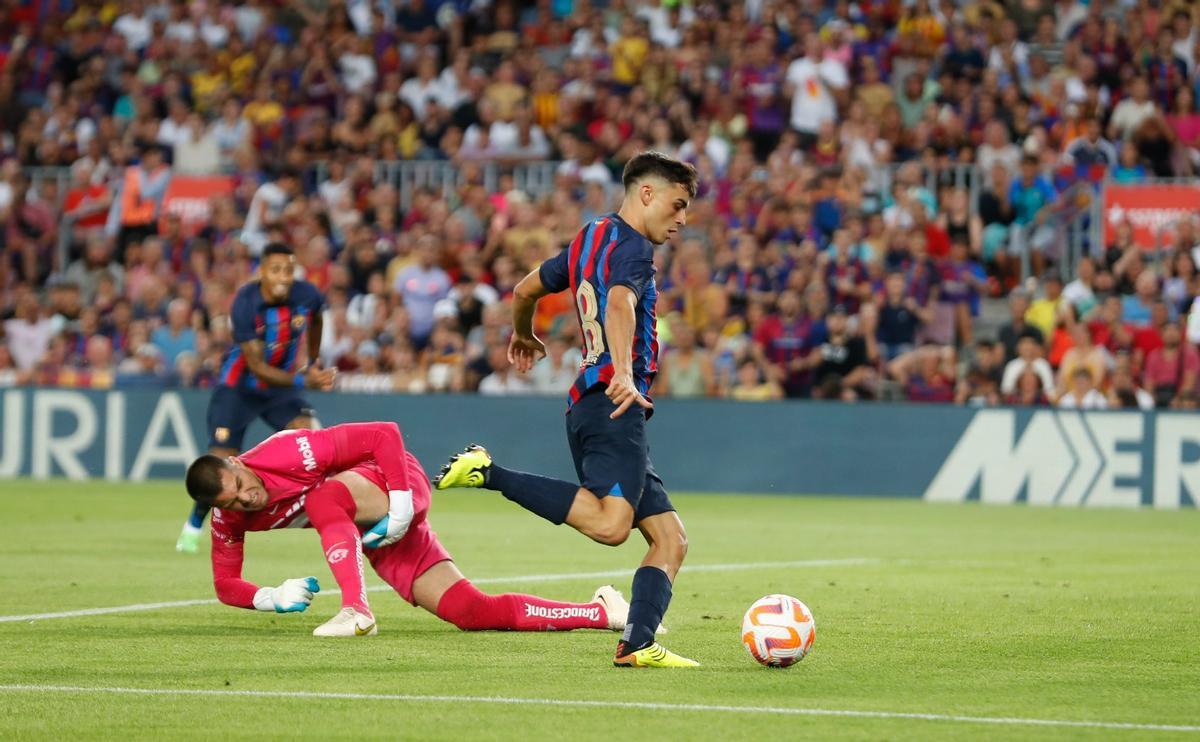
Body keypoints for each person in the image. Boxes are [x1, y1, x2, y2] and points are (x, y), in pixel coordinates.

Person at [434, 152, 699, 668]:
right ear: (647, 193)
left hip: (595, 404)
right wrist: (623, 370)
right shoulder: (634, 249)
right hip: (610, 402)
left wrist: (521, 331)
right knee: (611, 526)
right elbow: (620, 302)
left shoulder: (588, 239)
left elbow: (523, 289)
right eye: (678, 203)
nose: (683, 218)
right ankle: (490, 472)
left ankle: (637, 644)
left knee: (670, 537)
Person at [184, 422, 631, 637]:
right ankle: (602, 611)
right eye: (231, 501)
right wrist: (270, 597)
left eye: (241, 486)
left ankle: (357, 610)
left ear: (237, 462)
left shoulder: (286, 450)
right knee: (470, 611)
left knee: (323, 499)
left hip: (392, 482)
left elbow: (384, 435)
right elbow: (225, 584)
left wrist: (401, 502)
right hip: (366, 526)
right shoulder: (229, 517)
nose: (246, 499)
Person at [175, 243, 335, 553]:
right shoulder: (245, 304)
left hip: (281, 389)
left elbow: (316, 319)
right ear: (261, 272)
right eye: (276, 270)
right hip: (239, 389)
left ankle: (325, 512)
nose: (283, 277)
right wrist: (305, 378)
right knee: (221, 462)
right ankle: (194, 525)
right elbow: (258, 368)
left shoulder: (308, 295)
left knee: (311, 438)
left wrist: (313, 358)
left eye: (288, 270)